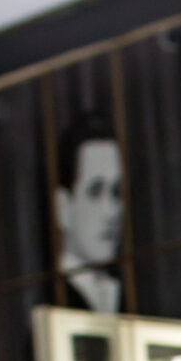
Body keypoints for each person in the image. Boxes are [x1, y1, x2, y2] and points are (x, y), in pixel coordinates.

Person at [54, 113, 125, 313]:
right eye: (95, 192)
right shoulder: (49, 295)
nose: (112, 212)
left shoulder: (122, 291)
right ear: (63, 206)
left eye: (116, 192)